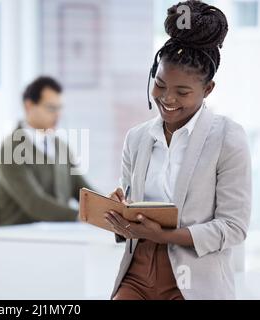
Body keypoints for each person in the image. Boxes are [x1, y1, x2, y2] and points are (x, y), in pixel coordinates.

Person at [105, 0, 251, 300]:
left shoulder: (228, 138)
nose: (167, 98)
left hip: (193, 281)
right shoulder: (137, 138)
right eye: (159, 85)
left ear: (207, 89)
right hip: (137, 274)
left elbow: (233, 227)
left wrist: (167, 236)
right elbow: (133, 207)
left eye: (183, 92)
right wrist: (121, 213)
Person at [0, 76, 91, 226]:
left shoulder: (60, 145)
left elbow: (82, 189)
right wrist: (80, 217)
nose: (58, 115)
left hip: (55, 232)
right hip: (18, 237)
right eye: (51, 108)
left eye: (59, 108)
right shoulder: (10, 150)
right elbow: (35, 203)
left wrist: (110, 209)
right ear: (29, 106)